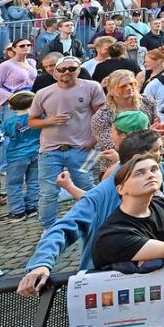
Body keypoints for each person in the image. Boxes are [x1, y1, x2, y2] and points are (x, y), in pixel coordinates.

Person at [17, 129, 164, 293]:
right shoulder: (101, 195)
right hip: (109, 284)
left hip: (159, 280)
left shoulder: (158, 173)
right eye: (157, 150)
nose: (163, 153)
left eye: (154, 169)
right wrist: (40, 265)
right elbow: (63, 228)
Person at [29, 55, 105, 228]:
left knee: (87, 186)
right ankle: (48, 229)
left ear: (79, 70)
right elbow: (31, 121)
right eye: (62, 69)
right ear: (55, 72)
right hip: (49, 150)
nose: (67, 72)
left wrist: (93, 141)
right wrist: (50, 121)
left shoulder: (92, 87)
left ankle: (95, 222)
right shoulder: (43, 93)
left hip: (83, 149)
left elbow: (101, 117)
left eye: (72, 69)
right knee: (48, 192)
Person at [90, 154, 164, 270]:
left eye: (154, 169)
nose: (150, 175)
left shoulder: (161, 204)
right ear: (121, 189)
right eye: (139, 173)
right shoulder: (112, 235)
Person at [90, 69, 162, 156]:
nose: (129, 88)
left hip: (149, 157)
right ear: (111, 90)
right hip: (118, 162)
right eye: (123, 86)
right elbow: (113, 147)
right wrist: (149, 135)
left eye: (132, 84)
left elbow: (157, 126)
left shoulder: (147, 101)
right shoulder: (102, 117)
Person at [0, 91, 41, 222]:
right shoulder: (38, 117)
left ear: (11, 107)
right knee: (33, 181)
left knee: (14, 184)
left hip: (16, 156)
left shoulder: (8, 122)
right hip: (36, 152)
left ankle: (17, 212)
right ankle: (31, 207)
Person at [0, 37, 37, 106]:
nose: (26, 47)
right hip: (11, 102)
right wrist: (11, 97)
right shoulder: (6, 65)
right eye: (22, 46)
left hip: (30, 99)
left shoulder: (32, 62)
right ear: (14, 49)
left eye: (29, 45)